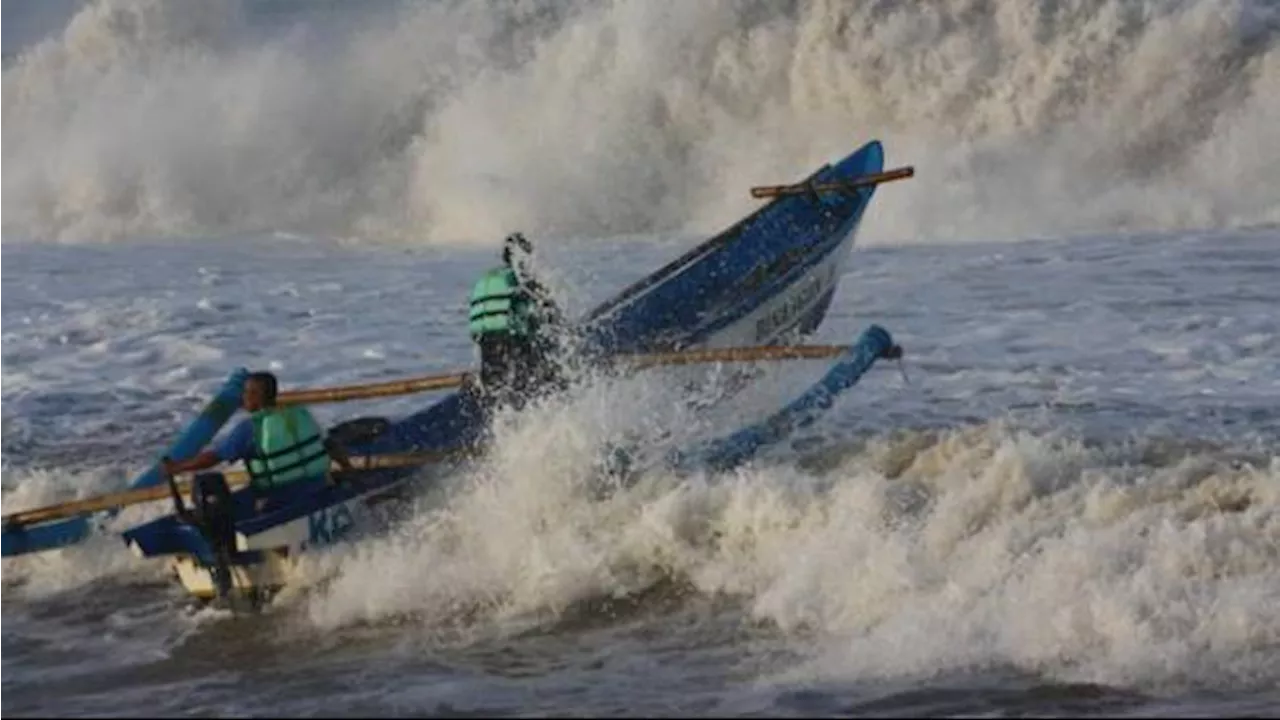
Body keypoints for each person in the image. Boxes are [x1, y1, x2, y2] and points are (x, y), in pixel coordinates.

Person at [160, 371, 354, 513]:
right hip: (318, 485)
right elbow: (330, 445)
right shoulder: (300, 414)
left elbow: (214, 458)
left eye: (246, 393)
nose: (242, 398)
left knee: (221, 508)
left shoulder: (251, 428)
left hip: (279, 498)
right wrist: (348, 470)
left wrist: (177, 467)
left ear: (256, 397)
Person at [467, 232, 569, 412]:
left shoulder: (488, 279)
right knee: (546, 376)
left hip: (486, 345)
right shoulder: (523, 279)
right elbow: (551, 317)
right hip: (513, 343)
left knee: (495, 389)